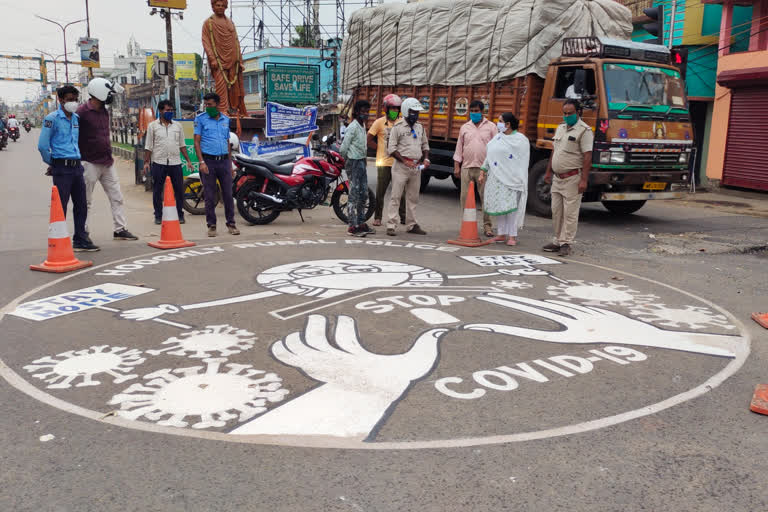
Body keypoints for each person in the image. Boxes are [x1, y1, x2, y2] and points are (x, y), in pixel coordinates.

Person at [37, 86, 99, 252]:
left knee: (81, 205)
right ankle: (59, 240)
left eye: (75, 99)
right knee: (61, 206)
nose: (73, 102)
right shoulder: (52, 118)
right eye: (70, 99)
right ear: (61, 100)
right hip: (62, 168)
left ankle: (80, 239)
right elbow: (43, 146)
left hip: (77, 167)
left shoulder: (76, 119)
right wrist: (53, 162)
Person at [78, 78, 137, 241]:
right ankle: (83, 232)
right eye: (109, 93)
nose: (111, 96)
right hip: (88, 162)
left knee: (117, 197)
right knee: (86, 201)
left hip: (107, 161)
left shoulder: (104, 110)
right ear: (99, 92)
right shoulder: (82, 112)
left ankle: (120, 229)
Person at [542, 99, 593, 257]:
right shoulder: (560, 128)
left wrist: (584, 180)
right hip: (558, 178)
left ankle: (566, 243)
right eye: (564, 113)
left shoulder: (585, 131)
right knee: (556, 210)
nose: (566, 116)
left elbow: (587, 156)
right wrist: (548, 171)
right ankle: (557, 240)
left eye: (570, 113)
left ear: (578, 112)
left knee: (570, 212)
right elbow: (554, 151)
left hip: (573, 177)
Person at [478, 112, 529, 246]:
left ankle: (512, 236)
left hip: (512, 179)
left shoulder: (520, 139)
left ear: (508, 124)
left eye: (500, 121)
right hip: (496, 178)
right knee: (500, 206)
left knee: (511, 207)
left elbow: (522, 160)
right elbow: (490, 156)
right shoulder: (497, 138)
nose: (497, 123)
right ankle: (501, 234)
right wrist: (483, 171)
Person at [194, 92, 239, 237]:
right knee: (209, 195)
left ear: (218, 105)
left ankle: (231, 224)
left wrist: (230, 164)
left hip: (224, 161)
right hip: (208, 162)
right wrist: (201, 162)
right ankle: (211, 225)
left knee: (228, 194)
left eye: (210, 105)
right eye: (206, 105)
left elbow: (227, 142)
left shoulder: (225, 120)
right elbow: (196, 141)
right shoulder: (200, 119)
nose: (208, 107)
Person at [144, 99, 193, 225]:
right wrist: (146, 162)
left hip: (175, 163)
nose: (170, 112)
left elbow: (182, 145)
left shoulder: (178, 126)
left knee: (179, 190)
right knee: (157, 190)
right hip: (159, 162)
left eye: (171, 110)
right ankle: (158, 216)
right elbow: (149, 146)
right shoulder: (153, 126)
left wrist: (188, 161)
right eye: (167, 110)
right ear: (160, 111)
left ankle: (180, 214)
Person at [386, 97, 430, 236]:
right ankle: (391, 225)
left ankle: (412, 225)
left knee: (413, 197)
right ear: (405, 111)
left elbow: (425, 145)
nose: (415, 115)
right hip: (401, 167)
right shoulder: (397, 128)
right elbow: (391, 149)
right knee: (396, 196)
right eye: (412, 111)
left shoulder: (420, 127)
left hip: (416, 167)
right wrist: (405, 161)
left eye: (417, 112)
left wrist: (426, 158)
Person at [453, 99, 497, 238]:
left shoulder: (491, 127)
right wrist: (456, 166)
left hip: (484, 168)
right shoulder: (465, 127)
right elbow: (459, 148)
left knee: (486, 198)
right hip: (466, 167)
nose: (474, 114)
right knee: (465, 198)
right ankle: (467, 224)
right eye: (471, 111)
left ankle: (488, 226)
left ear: (482, 112)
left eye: (476, 111)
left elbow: (496, 149)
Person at [202, 0, 247, 116]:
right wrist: (212, 58)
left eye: (223, 5)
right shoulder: (209, 23)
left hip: (233, 60)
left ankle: (236, 109)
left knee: (235, 86)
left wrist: (240, 60)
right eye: (218, 5)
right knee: (221, 85)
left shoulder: (230, 23)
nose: (220, 7)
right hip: (218, 60)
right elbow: (206, 42)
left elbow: (236, 42)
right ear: (213, 6)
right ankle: (223, 109)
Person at [367, 93, 406, 227]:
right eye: (392, 108)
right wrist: (380, 149)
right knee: (380, 192)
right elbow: (369, 139)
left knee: (401, 192)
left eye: (397, 109)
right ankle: (377, 217)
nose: (395, 111)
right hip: (384, 162)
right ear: (386, 109)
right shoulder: (379, 123)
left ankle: (404, 217)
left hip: (399, 163)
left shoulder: (402, 123)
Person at [339, 100, 374, 237]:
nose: (366, 114)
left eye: (367, 111)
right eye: (363, 111)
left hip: (361, 161)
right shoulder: (353, 127)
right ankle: (352, 226)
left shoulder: (362, 125)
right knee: (354, 194)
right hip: (353, 162)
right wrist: (348, 161)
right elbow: (343, 148)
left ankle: (361, 223)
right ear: (357, 112)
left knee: (363, 193)